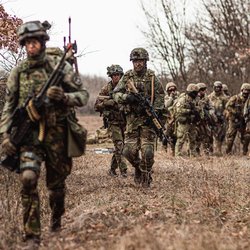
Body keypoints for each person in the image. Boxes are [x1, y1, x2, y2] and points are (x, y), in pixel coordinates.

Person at [0, 20, 89, 244]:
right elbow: (8, 108)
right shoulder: (19, 73)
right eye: (27, 43)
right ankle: (32, 235)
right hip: (29, 138)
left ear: (42, 42)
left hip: (57, 135)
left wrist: (65, 97)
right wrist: (6, 135)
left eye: (35, 42)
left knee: (56, 188)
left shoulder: (59, 68)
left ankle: (56, 219)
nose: (31, 47)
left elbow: (83, 96)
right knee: (28, 179)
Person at [113, 48, 165, 188]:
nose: (138, 64)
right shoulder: (127, 77)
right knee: (127, 151)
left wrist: (154, 110)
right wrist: (127, 98)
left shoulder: (152, 77)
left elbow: (160, 95)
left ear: (145, 61)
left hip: (148, 121)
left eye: (140, 60)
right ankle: (138, 168)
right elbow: (116, 93)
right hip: (132, 121)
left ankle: (146, 174)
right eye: (135, 61)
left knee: (148, 152)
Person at [94, 64, 127, 177]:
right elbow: (96, 106)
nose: (116, 77)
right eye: (113, 75)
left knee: (123, 147)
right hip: (113, 122)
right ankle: (124, 171)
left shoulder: (126, 87)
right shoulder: (106, 89)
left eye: (118, 75)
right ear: (110, 76)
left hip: (126, 121)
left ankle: (112, 169)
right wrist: (107, 103)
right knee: (119, 145)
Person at [174, 83, 200, 157]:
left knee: (193, 139)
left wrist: (196, 111)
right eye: (194, 92)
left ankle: (193, 155)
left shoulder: (195, 100)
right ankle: (177, 155)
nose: (196, 94)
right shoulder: (183, 99)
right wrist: (189, 111)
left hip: (192, 121)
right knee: (181, 139)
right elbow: (178, 110)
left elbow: (199, 108)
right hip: (184, 121)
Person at [225, 83, 250, 155]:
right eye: (244, 91)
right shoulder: (235, 98)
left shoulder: (249, 100)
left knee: (247, 136)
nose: (246, 93)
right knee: (230, 137)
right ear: (241, 90)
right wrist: (235, 112)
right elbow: (227, 106)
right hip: (234, 120)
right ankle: (228, 153)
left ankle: (244, 152)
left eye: (248, 92)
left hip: (244, 121)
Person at [208, 81, 229, 156]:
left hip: (221, 120)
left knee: (220, 136)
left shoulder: (224, 98)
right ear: (214, 87)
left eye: (219, 87)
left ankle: (218, 151)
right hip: (211, 119)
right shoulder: (210, 97)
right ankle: (210, 151)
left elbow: (228, 108)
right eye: (216, 87)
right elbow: (207, 106)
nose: (217, 89)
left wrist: (224, 114)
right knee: (210, 135)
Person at [195, 82, 217, 155]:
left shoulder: (206, 98)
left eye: (204, 90)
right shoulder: (194, 97)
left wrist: (210, 112)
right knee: (196, 137)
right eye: (201, 90)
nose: (203, 91)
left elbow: (211, 107)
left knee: (207, 136)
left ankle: (207, 153)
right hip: (196, 121)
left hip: (204, 121)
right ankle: (196, 153)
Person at [164, 82, 180, 155]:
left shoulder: (179, 97)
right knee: (166, 135)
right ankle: (165, 150)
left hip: (176, 119)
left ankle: (174, 151)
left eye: (173, 90)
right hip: (168, 120)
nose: (172, 91)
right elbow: (166, 105)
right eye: (170, 90)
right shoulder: (166, 97)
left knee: (175, 136)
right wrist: (171, 97)